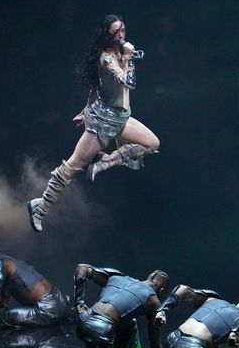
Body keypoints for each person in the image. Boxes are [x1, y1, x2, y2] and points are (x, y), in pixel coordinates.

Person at [28, 14, 159, 232]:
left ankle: (104, 162)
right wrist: (128, 59)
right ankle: (40, 208)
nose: (120, 35)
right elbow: (129, 83)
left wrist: (86, 107)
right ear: (106, 34)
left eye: (123, 30)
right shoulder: (107, 58)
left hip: (121, 118)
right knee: (72, 166)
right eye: (115, 32)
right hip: (102, 123)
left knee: (152, 143)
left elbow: (96, 87)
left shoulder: (119, 53)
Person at [36, 264, 169, 348]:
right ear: (161, 290)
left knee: (130, 324)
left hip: (85, 319)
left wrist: (79, 302)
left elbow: (82, 268)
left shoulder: (118, 277)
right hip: (100, 330)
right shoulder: (153, 300)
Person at [0, 236, 73, 334]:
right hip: (61, 299)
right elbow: (6, 290)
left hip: (47, 310)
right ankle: (66, 314)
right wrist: (2, 305)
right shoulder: (6, 261)